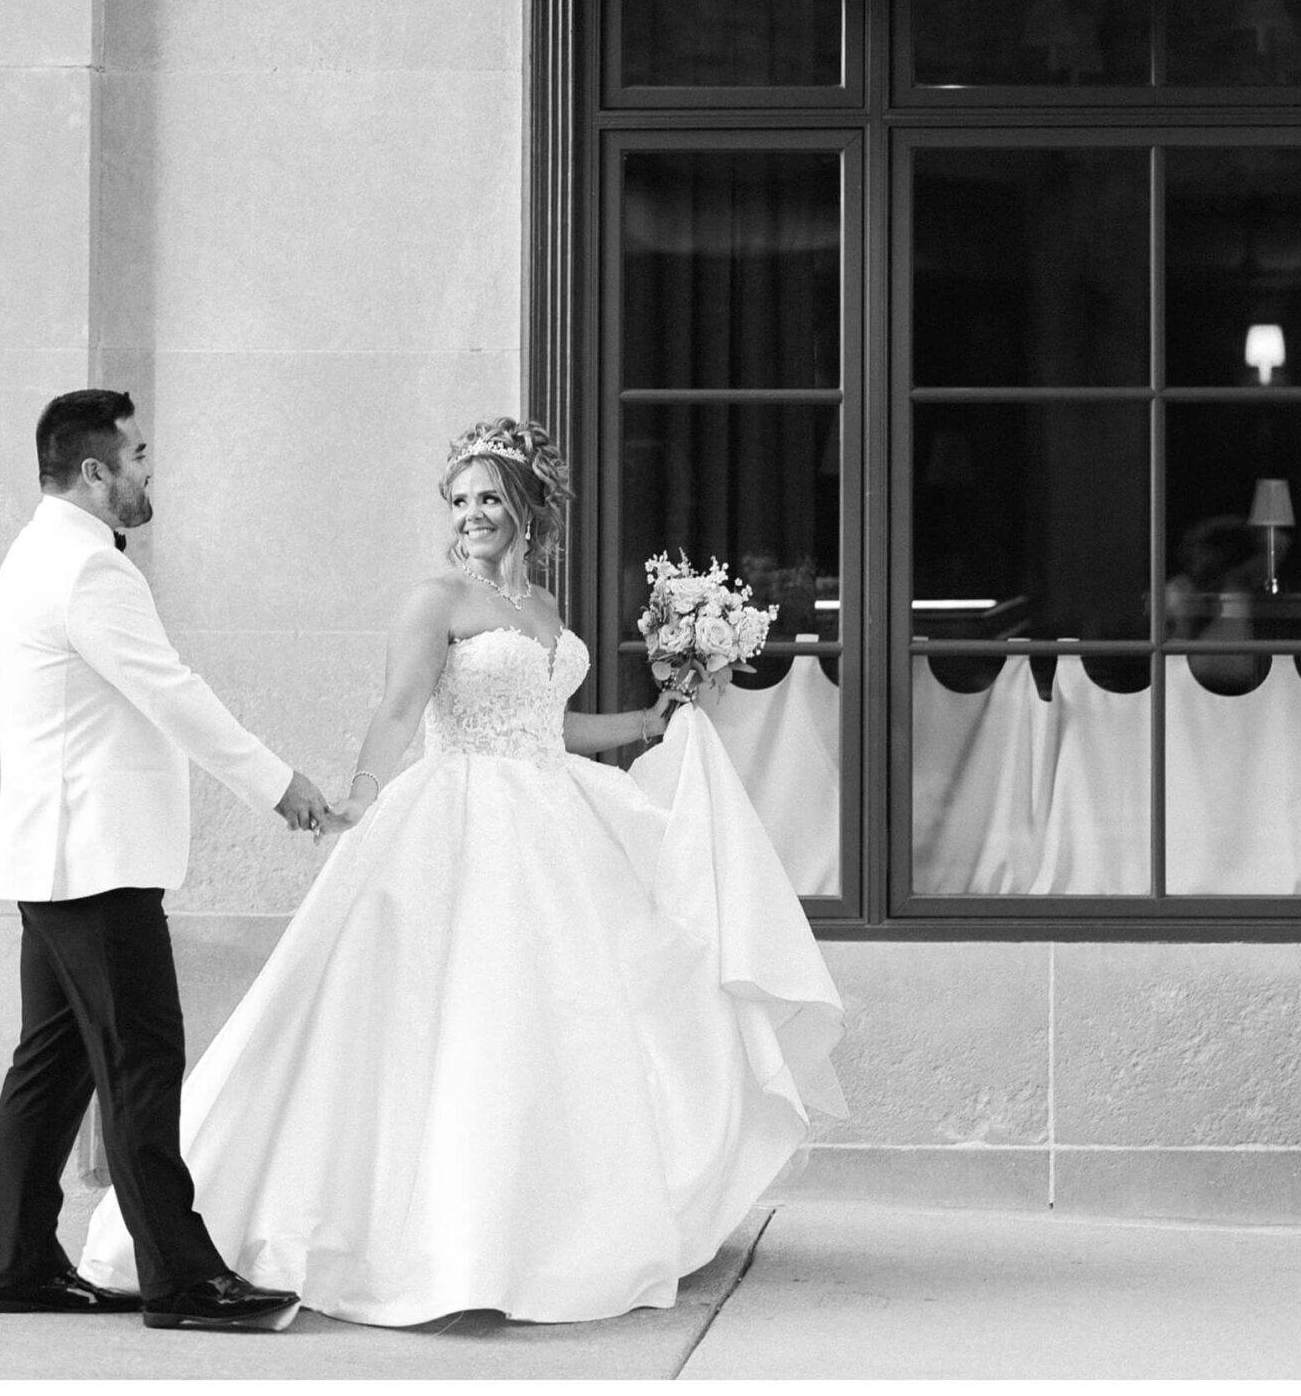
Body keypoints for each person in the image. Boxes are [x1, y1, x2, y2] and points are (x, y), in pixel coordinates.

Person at [79, 416, 845, 1327]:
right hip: (457, 821)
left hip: (552, 820)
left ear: (527, 507)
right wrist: (360, 797)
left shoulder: (547, 610)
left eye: (489, 498)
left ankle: (555, 1230)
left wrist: (649, 719)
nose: (472, 514)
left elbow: (551, 731)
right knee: (461, 1020)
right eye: (460, 500)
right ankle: (427, 1240)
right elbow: (401, 707)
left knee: (580, 1015)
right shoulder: (435, 600)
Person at [0, 389, 337, 1333]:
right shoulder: (89, 574)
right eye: (137, 454)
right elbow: (171, 692)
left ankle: (19, 1266)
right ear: (94, 472)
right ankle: (183, 1281)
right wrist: (278, 783)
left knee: (54, 1066)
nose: (149, 469)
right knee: (141, 1063)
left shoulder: (34, 553)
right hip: (95, 864)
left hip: (50, 859)